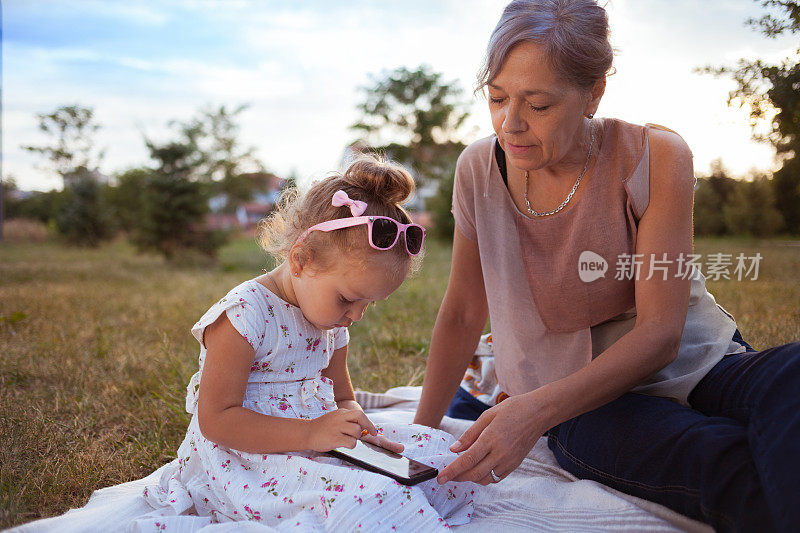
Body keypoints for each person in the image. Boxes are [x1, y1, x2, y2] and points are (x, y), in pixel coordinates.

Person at [412, 1, 800, 531]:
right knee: (718, 459)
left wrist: (531, 414)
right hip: (575, 399)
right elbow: (461, 313)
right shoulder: (478, 169)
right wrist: (418, 439)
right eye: (497, 98)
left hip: (695, 362)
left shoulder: (656, 156)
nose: (512, 123)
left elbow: (661, 333)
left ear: (593, 93)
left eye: (539, 105)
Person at [136, 156, 476, 531]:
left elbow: (342, 396)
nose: (357, 316)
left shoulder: (330, 320)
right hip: (245, 458)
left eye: (369, 304)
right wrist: (311, 434)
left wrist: (359, 430)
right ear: (300, 260)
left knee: (440, 462)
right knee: (366, 499)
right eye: (348, 299)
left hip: (315, 441)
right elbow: (216, 420)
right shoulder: (245, 316)